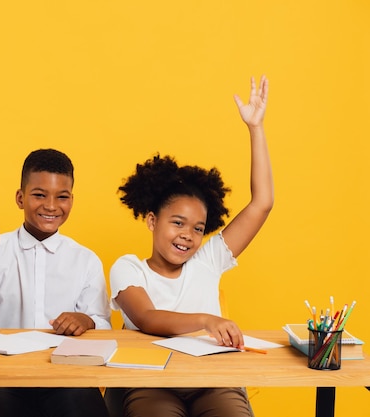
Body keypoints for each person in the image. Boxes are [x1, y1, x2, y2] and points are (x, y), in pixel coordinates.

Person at [109, 76, 273, 417]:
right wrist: (206, 320)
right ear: (152, 221)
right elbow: (147, 317)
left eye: (198, 228)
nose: (187, 235)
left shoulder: (208, 259)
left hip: (211, 380)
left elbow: (262, 204)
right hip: (151, 380)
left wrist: (255, 128)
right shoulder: (128, 267)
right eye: (177, 223)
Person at [0, 148, 112, 417]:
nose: (51, 206)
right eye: (39, 195)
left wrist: (87, 320)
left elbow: (104, 328)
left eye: (62, 197)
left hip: (65, 378)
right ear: (20, 198)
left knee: (84, 405)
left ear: (72, 201)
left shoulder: (86, 260)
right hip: (1, 378)